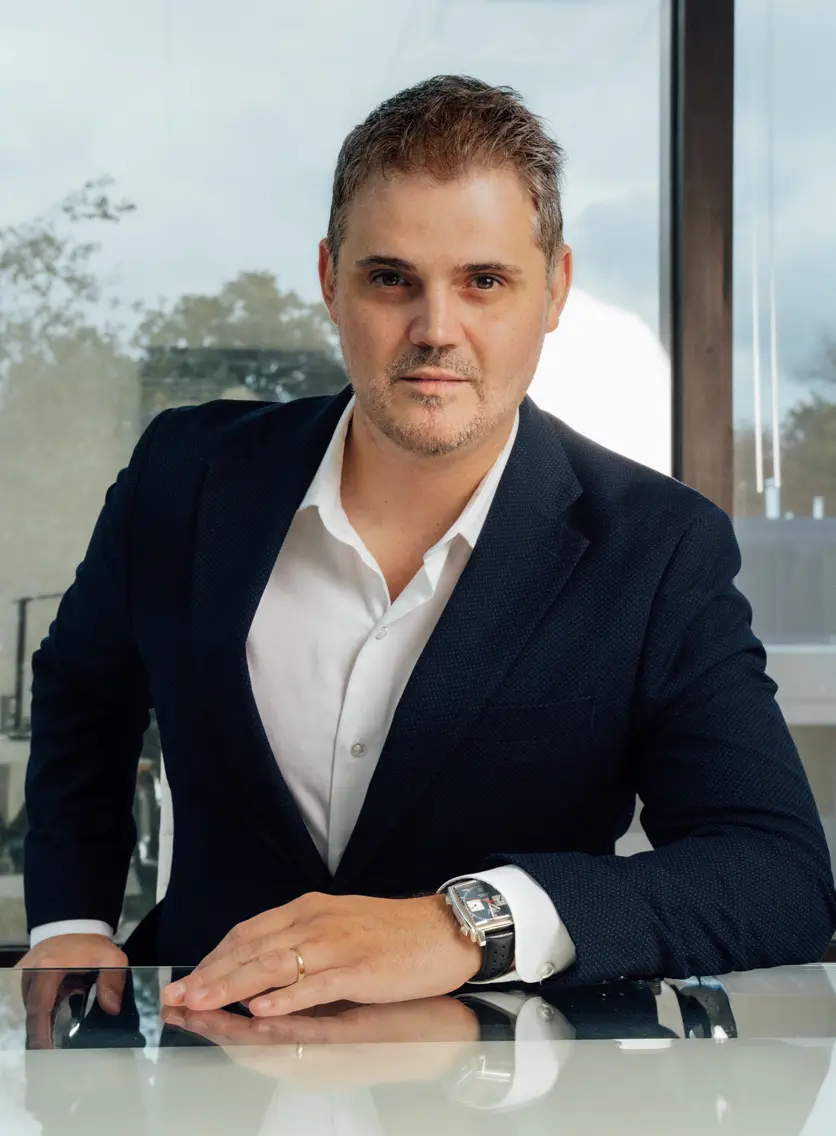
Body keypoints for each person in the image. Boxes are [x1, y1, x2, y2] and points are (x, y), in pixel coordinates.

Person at [18, 76, 836, 1018]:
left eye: (484, 281)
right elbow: (83, 694)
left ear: (556, 289)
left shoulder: (657, 548)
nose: (436, 331)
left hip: (514, 1070)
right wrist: (69, 915)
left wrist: (466, 925)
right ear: (330, 279)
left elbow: (775, 875)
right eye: (390, 279)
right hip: (205, 1038)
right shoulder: (184, 475)